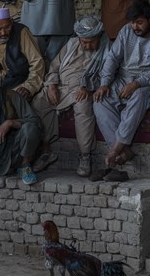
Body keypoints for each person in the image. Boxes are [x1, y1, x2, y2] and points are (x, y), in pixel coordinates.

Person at [93, 0, 150, 168]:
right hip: (123, 79)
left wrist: (136, 84)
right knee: (100, 100)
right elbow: (113, 58)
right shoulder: (126, 32)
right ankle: (124, 150)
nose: (135, 27)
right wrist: (104, 83)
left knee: (138, 96)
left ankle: (115, 149)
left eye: (139, 22)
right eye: (132, 23)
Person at [31, 15, 110, 177]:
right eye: (84, 42)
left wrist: (89, 88)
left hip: (82, 91)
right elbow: (54, 66)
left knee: (83, 107)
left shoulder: (108, 50)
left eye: (91, 42)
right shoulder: (72, 44)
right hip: (61, 87)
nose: (87, 46)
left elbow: (108, 77)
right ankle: (46, 151)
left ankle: (85, 156)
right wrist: (52, 85)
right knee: (39, 102)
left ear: (99, 37)